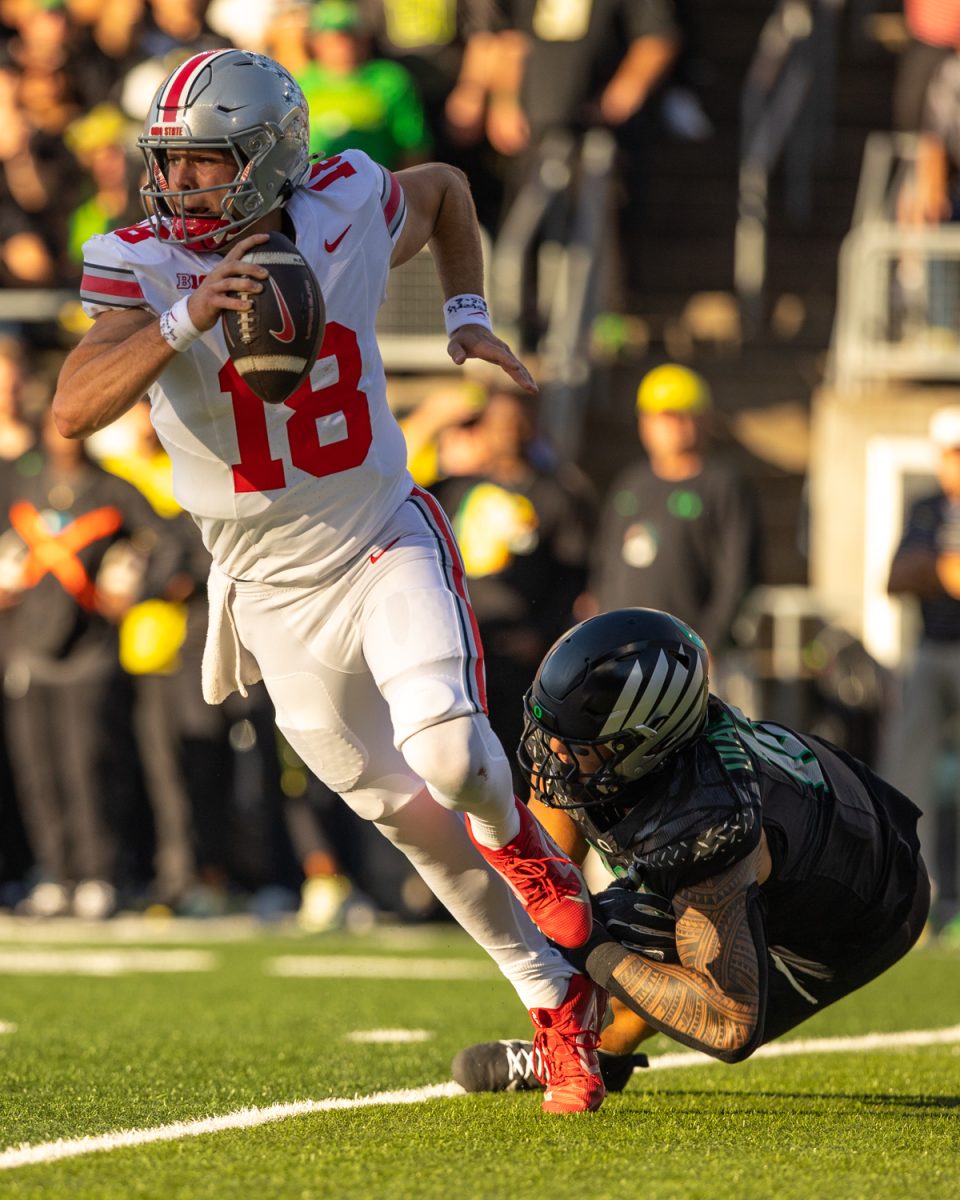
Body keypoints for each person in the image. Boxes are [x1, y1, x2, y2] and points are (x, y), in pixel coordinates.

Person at [53, 48, 605, 1112]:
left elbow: (444, 191)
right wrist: (186, 317)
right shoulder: (139, 261)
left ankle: (528, 846)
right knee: (406, 816)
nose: (178, 188)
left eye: (205, 166)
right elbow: (74, 406)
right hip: (266, 593)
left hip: (376, 534)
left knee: (449, 751)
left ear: (266, 161)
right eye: (169, 165)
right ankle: (553, 1003)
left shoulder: (343, 201)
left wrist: (464, 315)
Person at [452, 607, 929, 1096]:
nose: (550, 749)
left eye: (573, 740)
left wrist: (589, 946)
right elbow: (544, 859)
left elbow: (728, 1023)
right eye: (550, 728)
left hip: (869, 906)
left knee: (624, 924)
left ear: (642, 745)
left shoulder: (709, 824)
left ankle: (599, 1047)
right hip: (824, 812)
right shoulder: (636, 746)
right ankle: (589, 1048)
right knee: (563, 887)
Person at [583, 364, 761, 676]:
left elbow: (739, 574)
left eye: (683, 415)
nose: (673, 427)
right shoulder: (631, 484)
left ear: (703, 420)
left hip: (697, 659)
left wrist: (709, 643)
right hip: (627, 659)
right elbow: (605, 561)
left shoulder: (724, 486)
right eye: (662, 416)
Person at [884, 404, 960, 938]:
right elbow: (897, 577)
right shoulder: (927, 508)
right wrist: (940, 570)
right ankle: (921, 896)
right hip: (934, 651)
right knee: (911, 776)